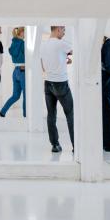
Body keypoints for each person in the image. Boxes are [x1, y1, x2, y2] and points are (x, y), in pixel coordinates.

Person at [40, 25, 74, 153]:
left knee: (51, 115)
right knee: (70, 114)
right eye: (64, 30)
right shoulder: (61, 44)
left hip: (48, 83)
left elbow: (44, 66)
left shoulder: (43, 45)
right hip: (61, 83)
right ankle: (76, 145)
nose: (64, 33)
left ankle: (55, 145)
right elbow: (75, 52)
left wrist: (63, 62)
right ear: (58, 29)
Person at [0, 27, 26, 117]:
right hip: (23, 71)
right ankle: (26, 116)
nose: (26, 34)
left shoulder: (13, 44)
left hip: (15, 72)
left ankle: (3, 111)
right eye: (25, 32)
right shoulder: (23, 43)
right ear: (21, 33)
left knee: (15, 95)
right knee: (26, 95)